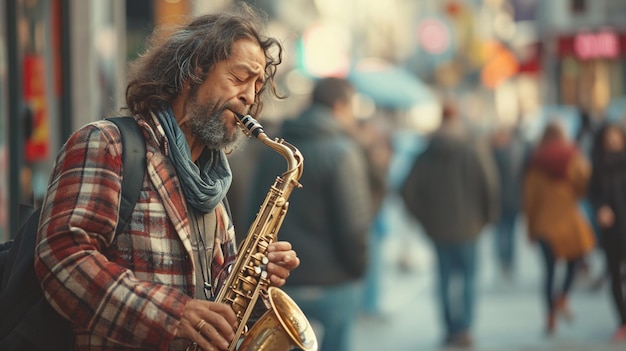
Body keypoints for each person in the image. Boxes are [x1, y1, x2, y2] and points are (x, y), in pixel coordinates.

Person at [33, 4, 301, 351]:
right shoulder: (107, 144)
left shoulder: (211, 178)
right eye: (239, 78)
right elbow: (62, 258)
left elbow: (212, 290)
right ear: (193, 72)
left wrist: (254, 276)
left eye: (257, 85)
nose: (249, 97)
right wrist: (173, 315)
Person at [246, 77, 373, 351]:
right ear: (340, 107)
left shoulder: (274, 152)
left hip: (280, 284)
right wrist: (359, 271)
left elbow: (252, 215)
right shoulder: (342, 151)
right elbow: (354, 226)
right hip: (333, 283)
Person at [400, 100, 500, 348]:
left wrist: (426, 220)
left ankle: (449, 328)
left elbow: (407, 190)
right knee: (467, 279)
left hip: (440, 230)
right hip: (470, 228)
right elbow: (489, 186)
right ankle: (464, 328)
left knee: (444, 279)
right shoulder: (472, 148)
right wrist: (486, 219)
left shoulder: (427, 152)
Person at [522, 121, 596, 336]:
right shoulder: (573, 157)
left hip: (545, 224)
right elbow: (584, 185)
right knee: (575, 260)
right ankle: (563, 297)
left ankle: (550, 317)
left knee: (549, 272)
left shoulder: (535, 162)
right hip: (569, 221)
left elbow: (530, 200)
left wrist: (530, 229)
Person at [588, 122, 626, 342]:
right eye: (609, 137)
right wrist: (600, 208)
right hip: (611, 229)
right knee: (614, 275)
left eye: (616, 136)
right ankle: (622, 320)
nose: (613, 141)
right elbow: (593, 195)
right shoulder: (598, 165)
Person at [489, 124, 530, 279]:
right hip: (510, 200)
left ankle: (505, 262)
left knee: (504, 234)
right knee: (507, 234)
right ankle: (507, 262)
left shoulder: (495, 155)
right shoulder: (514, 153)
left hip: (504, 201)